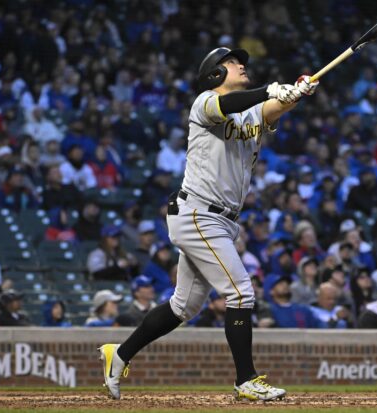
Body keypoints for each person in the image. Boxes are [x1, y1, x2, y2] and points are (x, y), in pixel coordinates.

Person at [98, 47, 317, 401]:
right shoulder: (204, 102)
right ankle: (245, 379)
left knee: (182, 307)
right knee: (241, 292)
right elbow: (237, 105)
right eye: (232, 62)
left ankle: (118, 354)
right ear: (215, 74)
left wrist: (298, 91)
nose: (241, 64)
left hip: (222, 220)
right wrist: (270, 90)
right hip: (198, 212)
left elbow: (273, 107)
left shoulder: (251, 114)